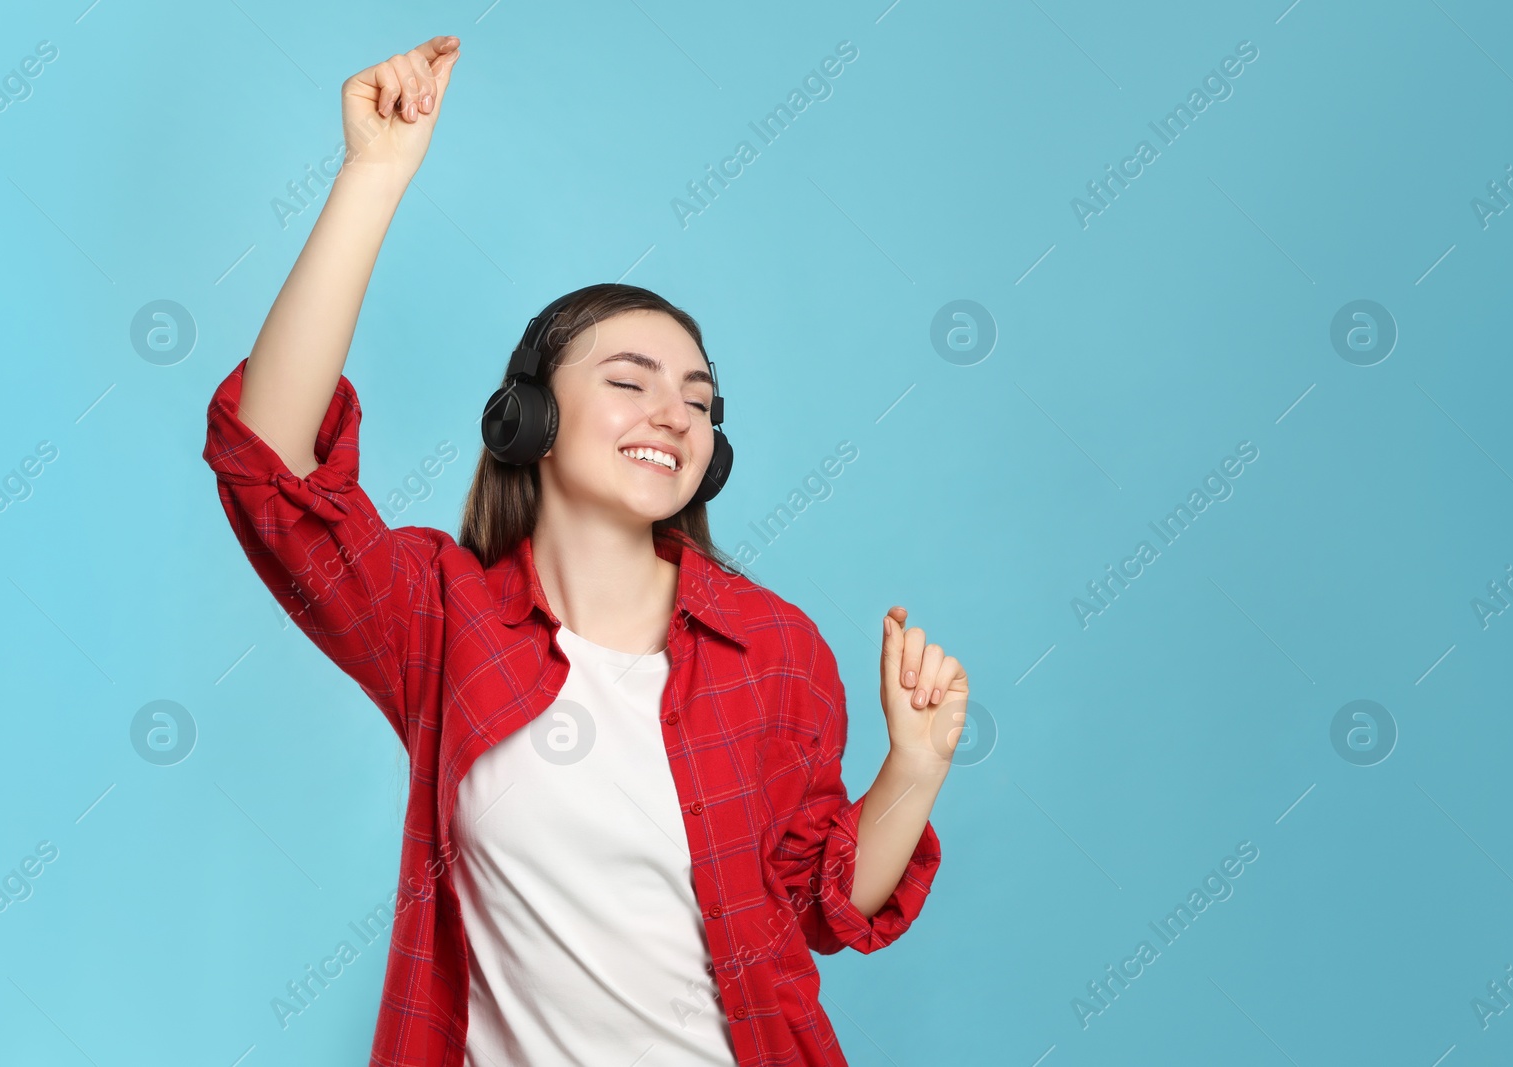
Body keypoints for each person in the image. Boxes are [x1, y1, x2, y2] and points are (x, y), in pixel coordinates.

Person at [202, 35, 965, 1067]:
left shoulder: (774, 646)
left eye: (698, 400)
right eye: (630, 379)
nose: (673, 412)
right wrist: (373, 175)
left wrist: (912, 771)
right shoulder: (441, 615)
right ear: (527, 418)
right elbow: (272, 468)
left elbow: (822, 902)